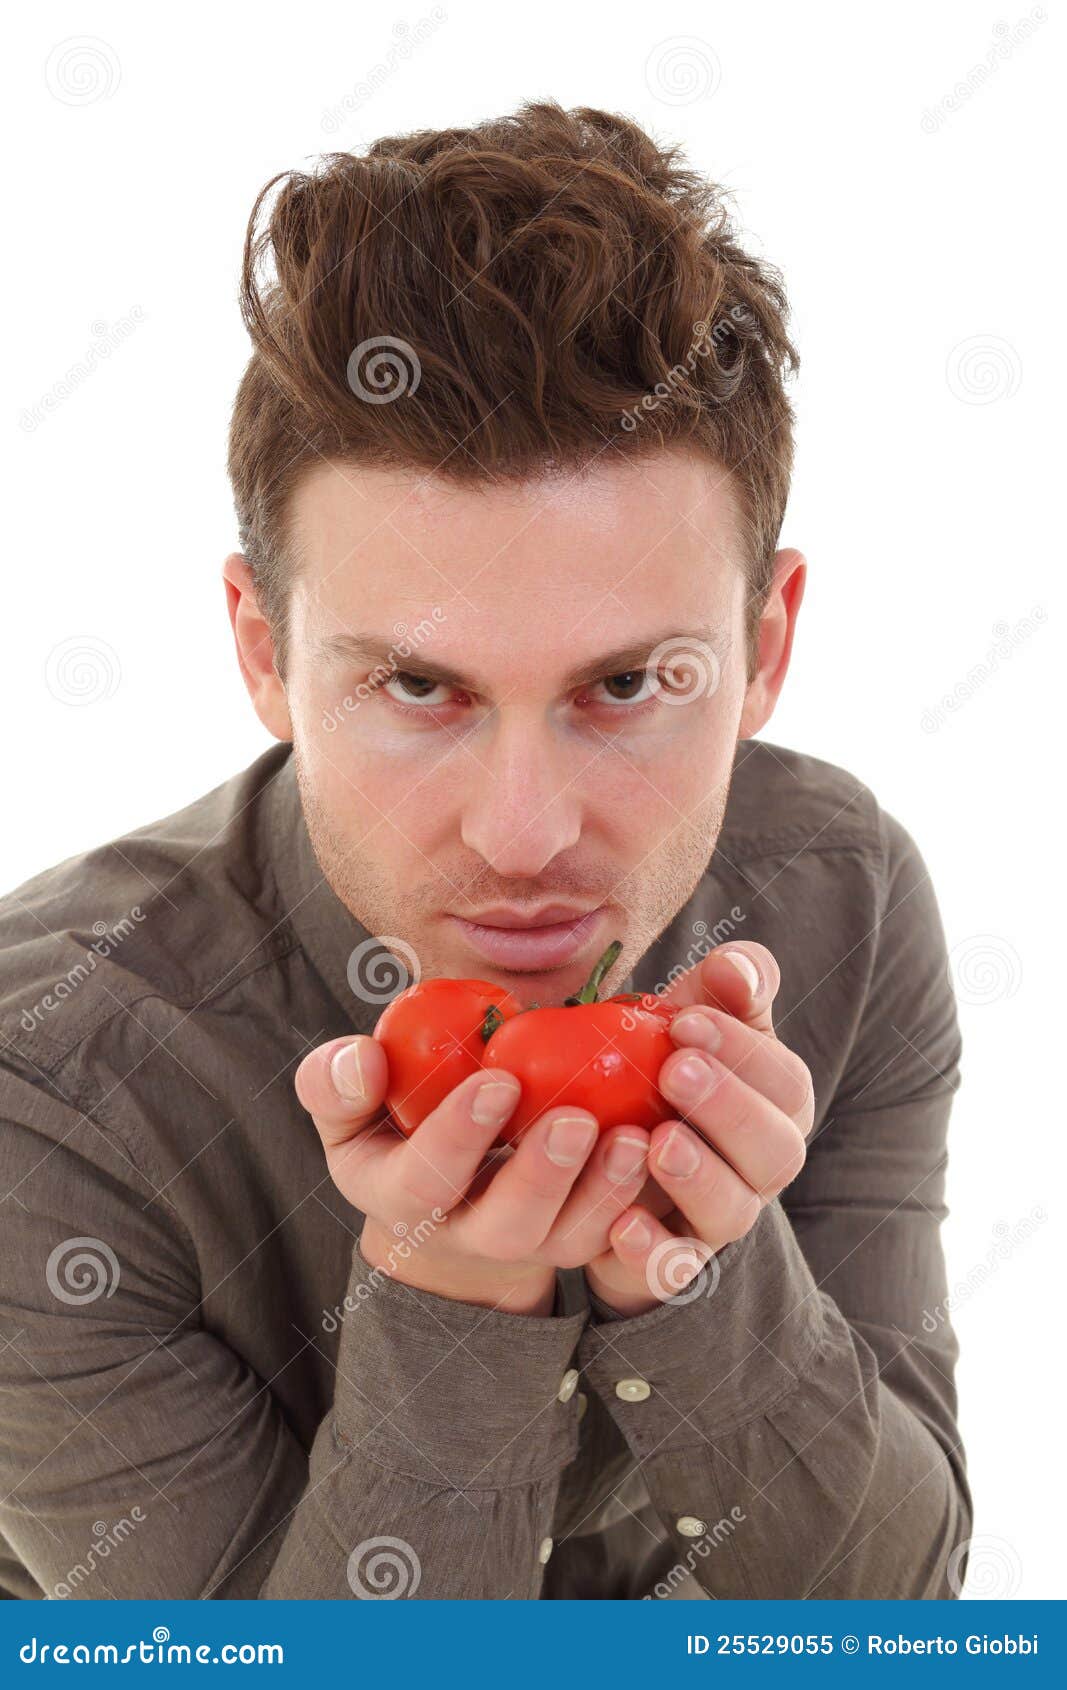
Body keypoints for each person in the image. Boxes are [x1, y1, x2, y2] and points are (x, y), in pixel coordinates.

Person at [0, 100, 969, 1600]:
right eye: (417, 685)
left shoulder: (839, 898)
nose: (525, 837)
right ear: (264, 651)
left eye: (629, 684)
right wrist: (452, 1302)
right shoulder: (43, 1089)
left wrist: (707, 1276)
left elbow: (896, 1614)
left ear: (766, 646)